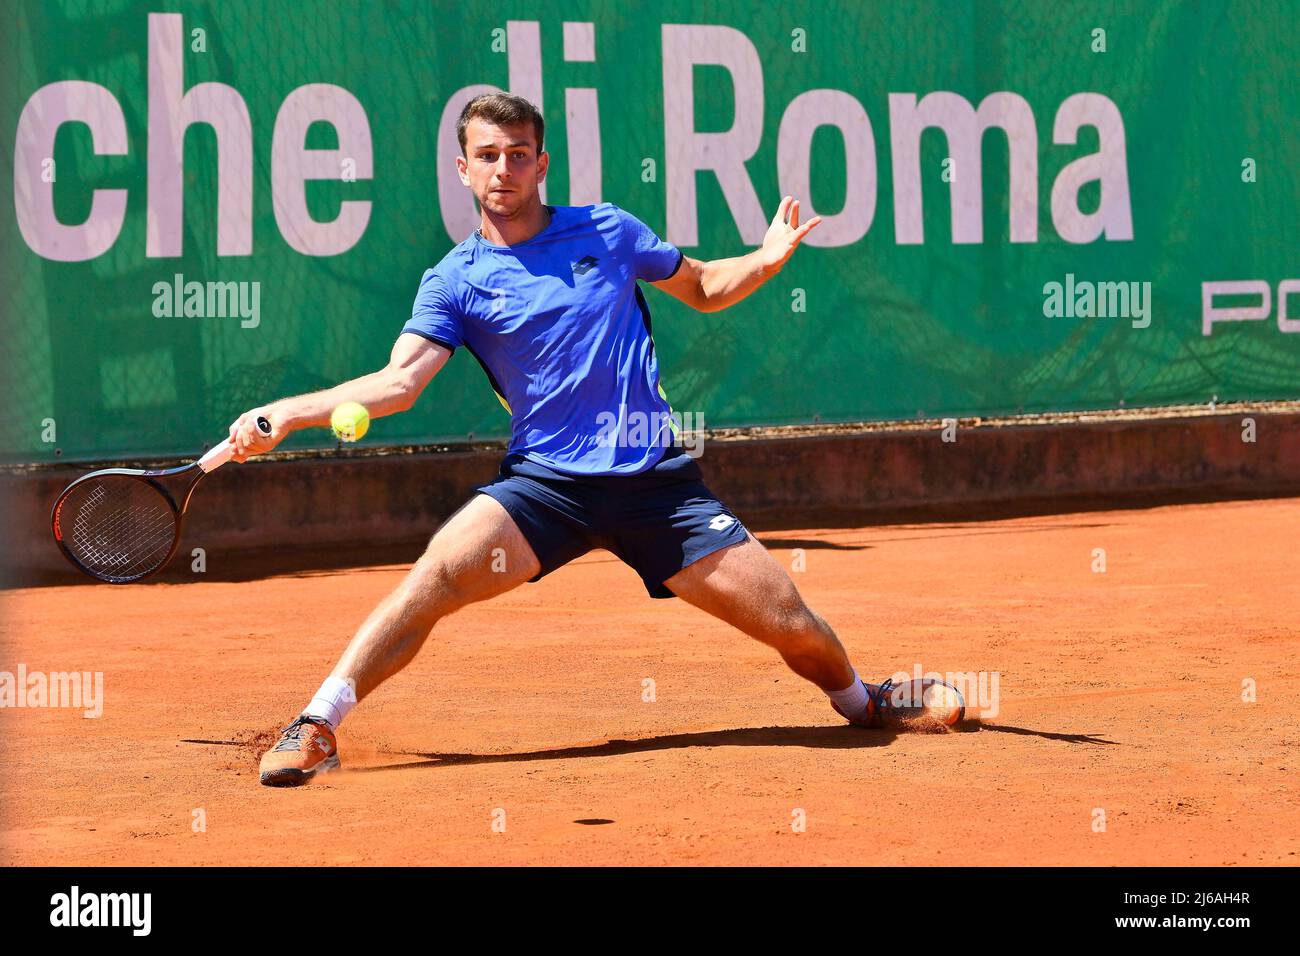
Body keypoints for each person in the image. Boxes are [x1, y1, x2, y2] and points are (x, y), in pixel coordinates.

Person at [229, 93, 963, 787]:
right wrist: (290, 412)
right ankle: (318, 724)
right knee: (434, 578)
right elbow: (397, 384)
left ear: (542, 164)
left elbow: (703, 286)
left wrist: (767, 259)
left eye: (519, 154)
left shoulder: (607, 230)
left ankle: (866, 702)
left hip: (656, 486)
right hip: (546, 487)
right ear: (462, 169)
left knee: (792, 623)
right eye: (486, 156)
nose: (503, 169)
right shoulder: (455, 280)